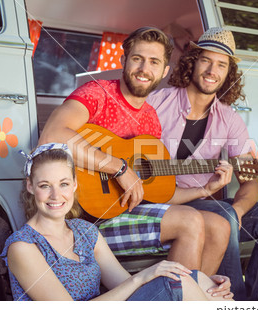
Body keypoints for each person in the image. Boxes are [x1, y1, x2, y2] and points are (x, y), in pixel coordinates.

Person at [38, 26, 232, 294]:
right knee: (190, 221)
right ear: (123, 61)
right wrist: (119, 168)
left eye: (154, 62)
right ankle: (171, 302)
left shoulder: (151, 118)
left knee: (220, 225)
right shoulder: (97, 94)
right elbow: (51, 136)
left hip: (126, 212)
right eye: (138, 58)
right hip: (86, 219)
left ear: (164, 71)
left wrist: (205, 190)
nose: (144, 68)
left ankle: (200, 301)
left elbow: (154, 193)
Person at [147, 27, 258, 301]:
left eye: (221, 65)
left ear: (228, 73)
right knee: (222, 213)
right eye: (206, 60)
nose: (212, 70)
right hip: (161, 201)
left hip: (203, 203)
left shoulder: (229, 119)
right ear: (193, 61)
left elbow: (251, 180)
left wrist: (238, 210)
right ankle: (232, 301)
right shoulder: (157, 103)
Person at [0, 144, 231, 301]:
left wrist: (205, 284)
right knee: (179, 284)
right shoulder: (23, 247)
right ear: (30, 187)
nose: (55, 195)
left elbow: (124, 284)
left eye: (63, 184)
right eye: (44, 185)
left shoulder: (85, 231)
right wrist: (145, 275)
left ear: (74, 185)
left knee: (200, 280)